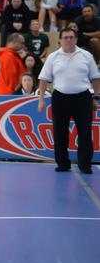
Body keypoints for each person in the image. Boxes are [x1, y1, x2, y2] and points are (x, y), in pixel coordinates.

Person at [38, 26, 100, 174]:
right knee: (60, 133)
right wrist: (41, 100)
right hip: (60, 98)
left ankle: (85, 165)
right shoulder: (53, 57)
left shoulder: (86, 55)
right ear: (60, 40)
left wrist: (95, 97)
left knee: (85, 132)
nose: (68, 40)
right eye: (65, 37)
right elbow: (43, 79)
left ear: (76, 39)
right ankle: (63, 164)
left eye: (71, 37)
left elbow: (95, 78)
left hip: (83, 98)